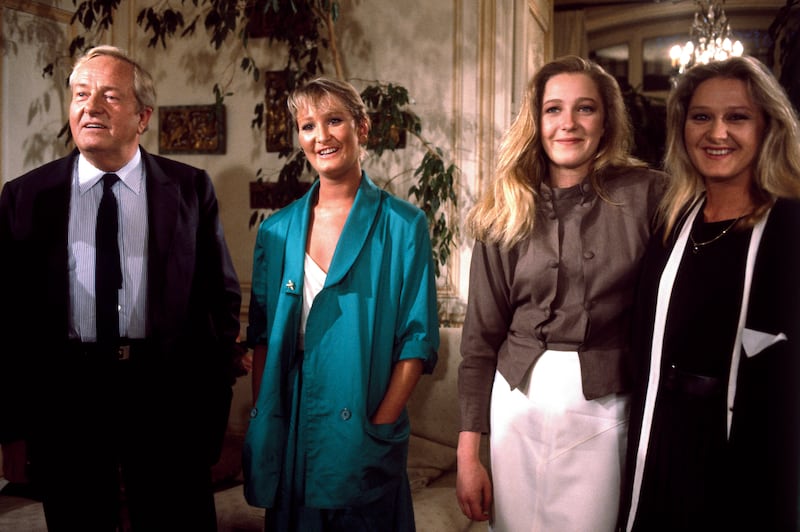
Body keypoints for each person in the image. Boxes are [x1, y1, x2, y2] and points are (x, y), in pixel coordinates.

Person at [0, 45, 242, 531]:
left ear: (142, 116)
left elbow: (220, 303)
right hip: (67, 398)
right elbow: (8, 317)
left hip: (165, 395)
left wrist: (207, 407)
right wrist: (15, 427)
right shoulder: (25, 196)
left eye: (110, 96)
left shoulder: (191, 189)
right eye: (81, 95)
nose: (90, 107)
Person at [456, 55, 665, 531]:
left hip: (605, 409)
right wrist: (469, 454)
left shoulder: (649, 194)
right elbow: (478, 342)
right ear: (537, 119)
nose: (567, 123)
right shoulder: (504, 205)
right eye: (554, 109)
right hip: (515, 408)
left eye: (585, 108)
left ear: (606, 118)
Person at [242, 77, 439, 531]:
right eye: (307, 125)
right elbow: (263, 339)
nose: (321, 136)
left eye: (334, 120)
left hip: (363, 409)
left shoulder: (405, 225)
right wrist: (267, 416)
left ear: (362, 128)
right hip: (293, 417)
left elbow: (417, 341)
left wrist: (381, 423)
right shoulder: (276, 231)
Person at [620, 56, 800, 531]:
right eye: (702, 117)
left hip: (747, 459)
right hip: (661, 452)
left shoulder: (789, 228)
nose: (717, 132)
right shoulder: (672, 224)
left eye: (737, 117)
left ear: (767, 128)